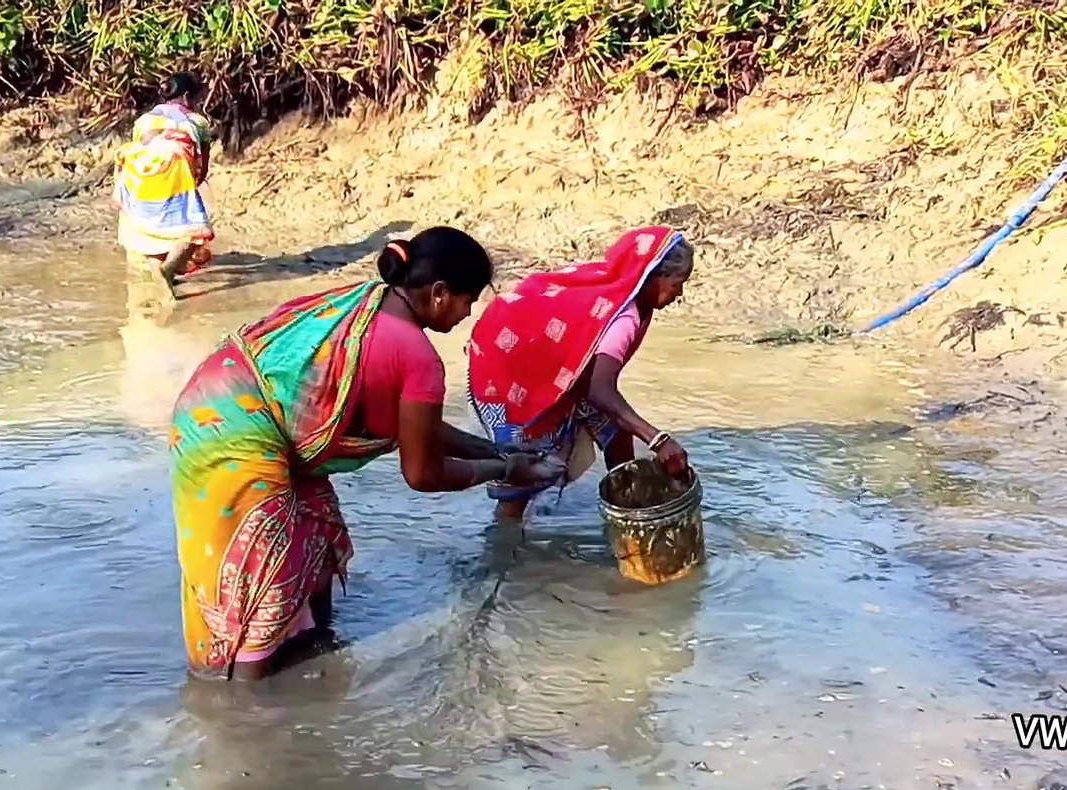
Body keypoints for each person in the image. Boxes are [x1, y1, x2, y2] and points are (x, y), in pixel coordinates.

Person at [169, 226, 561, 680]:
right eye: (468, 300)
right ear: (438, 293)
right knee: (263, 582)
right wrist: (505, 467)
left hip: (218, 397)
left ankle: (315, 658)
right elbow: (423, 473)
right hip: (231, 435)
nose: (467, 313)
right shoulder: (418, 358)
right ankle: (248, 717)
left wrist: (497, 448)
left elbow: (419, 428)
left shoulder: (367, 303)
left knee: (314, 533)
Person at [466, 225, 694, 522]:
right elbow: (601, 391)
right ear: (654, 277)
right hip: (513, 373)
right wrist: (658, 440)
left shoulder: (615, 287)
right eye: (678, 283)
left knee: (618, 432)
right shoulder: (622, 319)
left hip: (559, 367)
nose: (680, 294)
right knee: (523, 471)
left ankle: (627, 506)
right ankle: (502, 549)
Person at [113, 72, 216, 313]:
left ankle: (163, 281)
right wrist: (189, 187)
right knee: (195, 230)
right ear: (188, 96)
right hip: (173, 173)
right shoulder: (197, 121)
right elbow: (202, 163)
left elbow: (141, 150)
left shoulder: (145, 120)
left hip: (137, 178)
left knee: (148, 232)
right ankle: (168, 270)